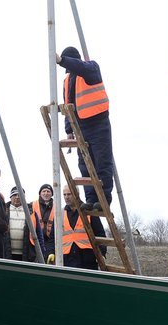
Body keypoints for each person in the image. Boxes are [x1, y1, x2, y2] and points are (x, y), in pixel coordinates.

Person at [56, 46, 116, 243]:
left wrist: (61, 60)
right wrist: (69, 129)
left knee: (102, 163)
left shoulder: (91, 68)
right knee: (84, 165)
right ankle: (91, 200)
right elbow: (68, 105)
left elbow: (80, 67)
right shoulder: (67, 81)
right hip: (80, 126)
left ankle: (103, 200)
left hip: (98, 124)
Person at [61, 185, 97, 270]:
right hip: (67, 258)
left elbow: (99, 233)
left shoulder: (88, 211)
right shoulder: (60, 214)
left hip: (87, 257)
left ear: (77, 194)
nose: (66, 197)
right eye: (64, 194)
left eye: (69, 194)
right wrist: (51, 252)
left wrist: (102, 253)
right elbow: (53, 236)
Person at [7, 186, 46, 262]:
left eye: (20, 195)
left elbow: (39, 233)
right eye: (15, 195)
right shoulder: (4, 209)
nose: (17, 197)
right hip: (6, 252)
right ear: (10, 197)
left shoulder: (31, 211)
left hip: (27, 253)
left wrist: (42, 252)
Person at [32, 184, 56, 259]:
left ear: (52, 194)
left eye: (48, 191)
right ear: (40, 193)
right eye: (44, 191)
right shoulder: (32, 205)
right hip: (35, 240)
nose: (46, 193)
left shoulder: (57, 207)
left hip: (50, 241)